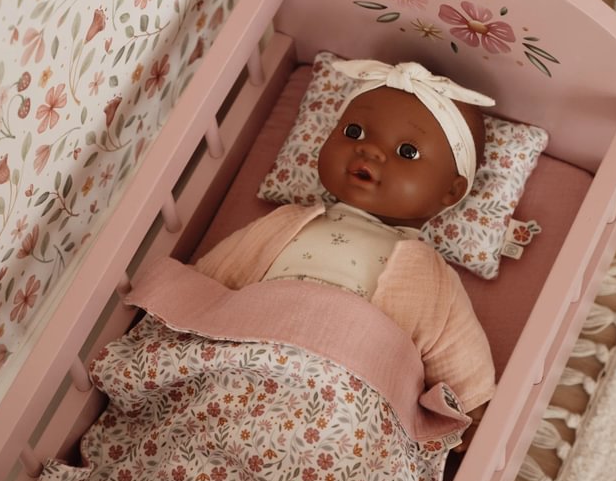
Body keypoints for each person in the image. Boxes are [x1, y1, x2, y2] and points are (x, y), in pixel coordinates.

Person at [196, 60, 496, 451]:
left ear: (451, 192)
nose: (368, 149)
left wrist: (471, 424)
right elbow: (206, 288)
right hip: (243, 372)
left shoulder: (432, 277)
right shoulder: (286, 222)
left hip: (341, 406)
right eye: (354, 131)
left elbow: (461, 358)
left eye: (407, 151)